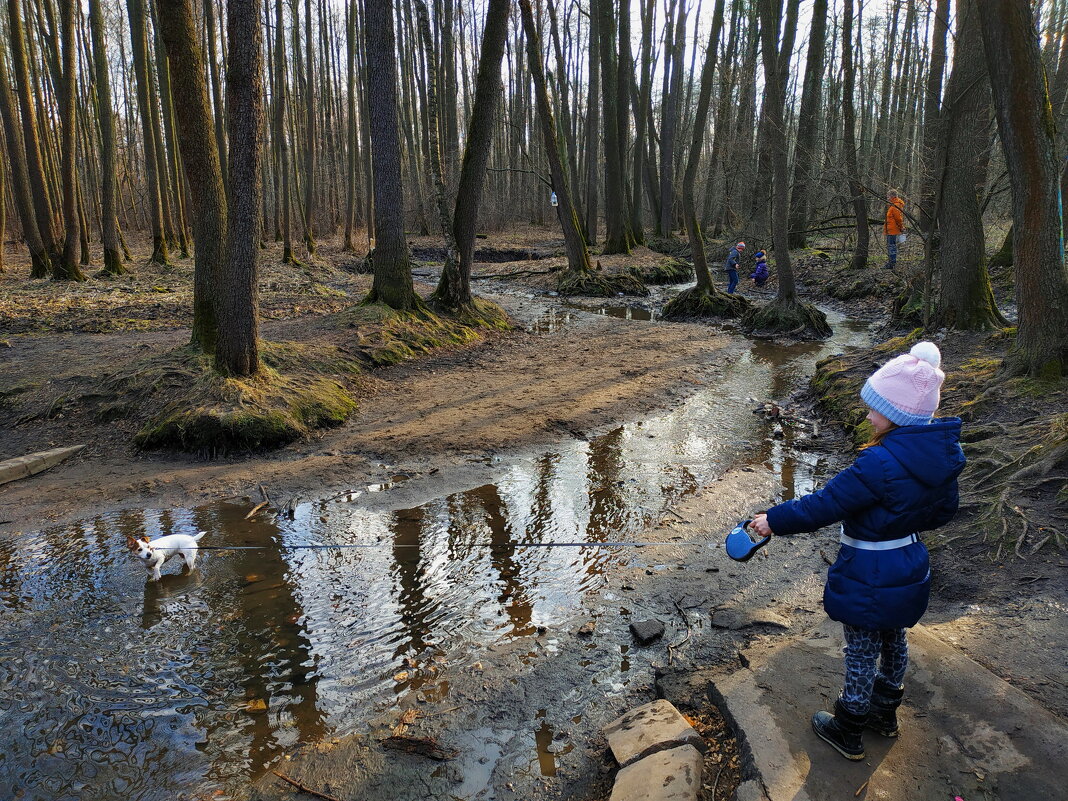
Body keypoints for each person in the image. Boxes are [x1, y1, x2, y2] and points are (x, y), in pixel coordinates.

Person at [749, 341, 964, 761]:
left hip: (869, 569)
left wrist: (772, 520)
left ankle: (848, 725)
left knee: (861, 648)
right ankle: (885, 714)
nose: (867, 415)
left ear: (898, 415)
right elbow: (943, 512)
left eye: (875, 408)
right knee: (895, 638)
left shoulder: (876, 464)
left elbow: (820, 506)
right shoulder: (940, 456)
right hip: (910, 561)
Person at [884, 189, 905, 269]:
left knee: (892, 246)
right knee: (891, 246)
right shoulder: (892, 205)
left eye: (888, 196)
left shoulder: (896, 205)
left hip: (893, 230)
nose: (887, 198)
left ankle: (892, 263)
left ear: (892, 196)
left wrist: (901, 227)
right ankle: (891, 262)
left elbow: (898, 219)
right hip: (890, 230)